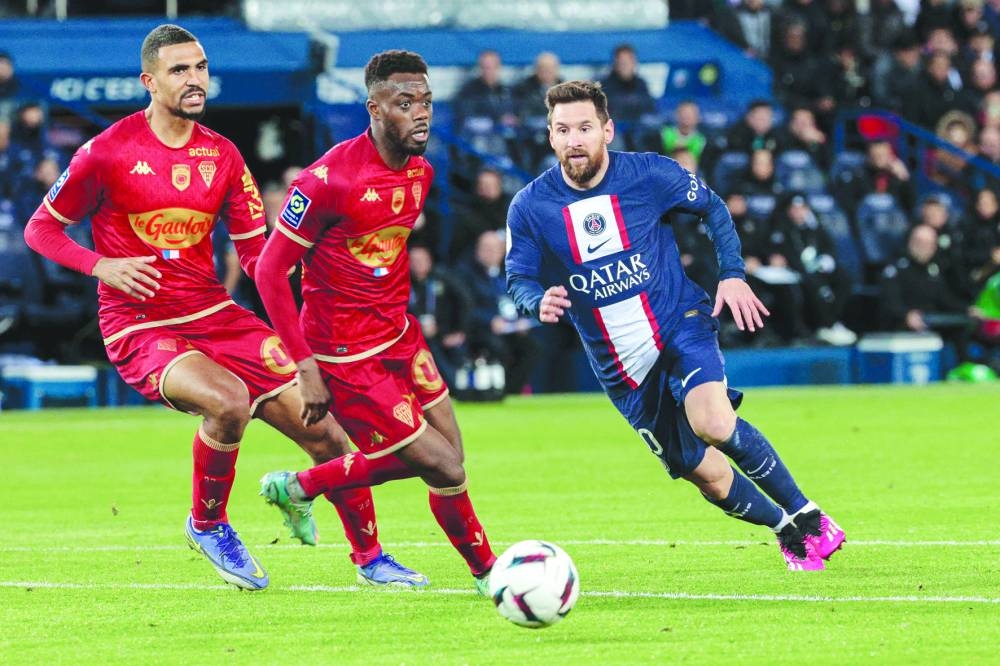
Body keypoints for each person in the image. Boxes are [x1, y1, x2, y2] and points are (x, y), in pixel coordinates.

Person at [21, 24, 426, 592]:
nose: (194, 79)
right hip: (140, 324)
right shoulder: (107, 152)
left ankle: (371, 558)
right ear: (149, 81)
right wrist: (100, 265)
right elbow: (40, 229)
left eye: (201, 67)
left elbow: (260, 256)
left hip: (216, 315)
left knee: (327, 433)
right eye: (179, 70)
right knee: (229, 402)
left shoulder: (224, 155)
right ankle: (207, 522)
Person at [505, 80, 845, 571]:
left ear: (607, 129)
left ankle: (809, 515)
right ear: (550, 136)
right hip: (622, 369)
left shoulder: (650, 173)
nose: (574, 140)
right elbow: (518, 275)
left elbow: (712, 206)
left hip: (678, 322)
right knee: (702, 472)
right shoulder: (531, 206)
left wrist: (732, 275)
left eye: (584, 128)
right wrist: (536, 301)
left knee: (712, 420)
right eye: (562, 130)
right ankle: (785, 528)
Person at [254, 50, 497, 594]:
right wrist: (306, 366)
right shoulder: (327, 180)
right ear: (374, 108)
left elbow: (381, 259)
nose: (421, 113)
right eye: (405, 102)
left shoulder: (421, 172)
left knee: (451, 460)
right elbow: (271, 271)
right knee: (445, 468)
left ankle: (300, 486)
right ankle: (491, 573)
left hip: (401, 336)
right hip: (345, 354)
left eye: (427, 102)